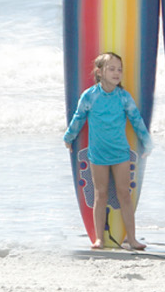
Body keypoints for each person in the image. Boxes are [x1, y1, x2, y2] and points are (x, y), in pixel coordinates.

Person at [63, 51, 152, 250]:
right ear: (99, 72)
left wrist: (147, 142)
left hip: (120, 154)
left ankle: (132, 238)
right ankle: (99, 239)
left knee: (124, 195)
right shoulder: (90, 96)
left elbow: (136, 120)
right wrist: (68, 138)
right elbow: (78, 118)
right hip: (98, 154)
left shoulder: (123, 97)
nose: (116, 73)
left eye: (119, 69)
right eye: (111, 69)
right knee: (100, 195)